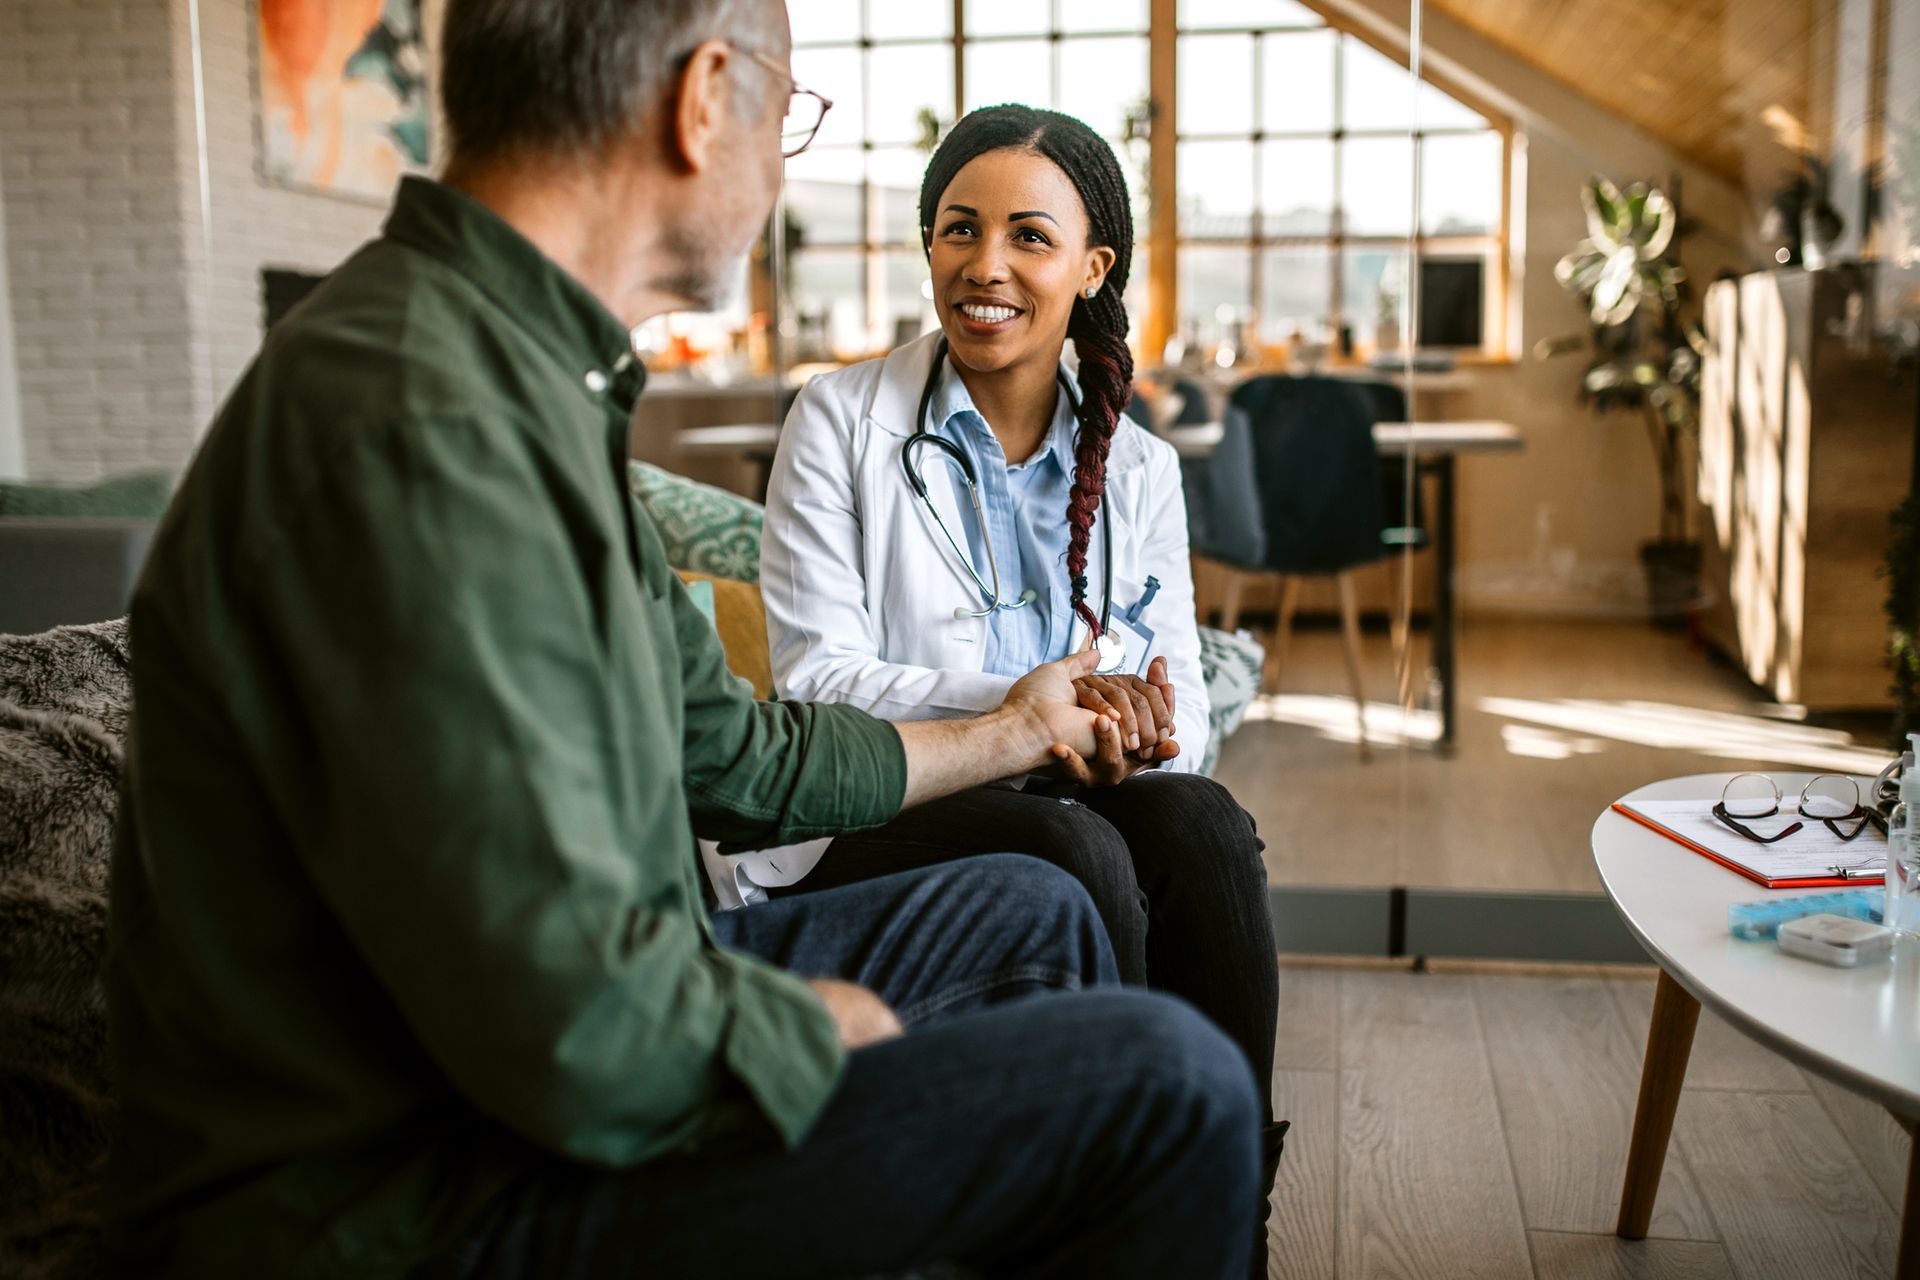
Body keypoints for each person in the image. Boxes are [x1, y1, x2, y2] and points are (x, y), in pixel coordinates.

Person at [101, 4, 1261, 1278]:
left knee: (1037, 900)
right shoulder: (427, 424)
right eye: (789, 116)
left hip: (545, 1041)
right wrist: (798, 1030)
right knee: (1172, 1081)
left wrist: (1020, 726)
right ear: (706, 97)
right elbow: (553, 1017)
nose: (781, 169)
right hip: (406, 1185)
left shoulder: (519, 377)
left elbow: (731, 752)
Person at [757, 104, 1286, 1258]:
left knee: (1201, 824)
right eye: (958, 229)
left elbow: (1182, 698)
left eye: (1028, 237)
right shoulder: (840, 420)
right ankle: (1105, 1196)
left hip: (1067, 784)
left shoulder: (1137, 465)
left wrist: (1133, 732)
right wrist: (1026, 709)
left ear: (1091, 267)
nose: (984, 265)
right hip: (888, 802)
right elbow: (816, 680)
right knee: (1079, 851)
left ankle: (1222, 1208)